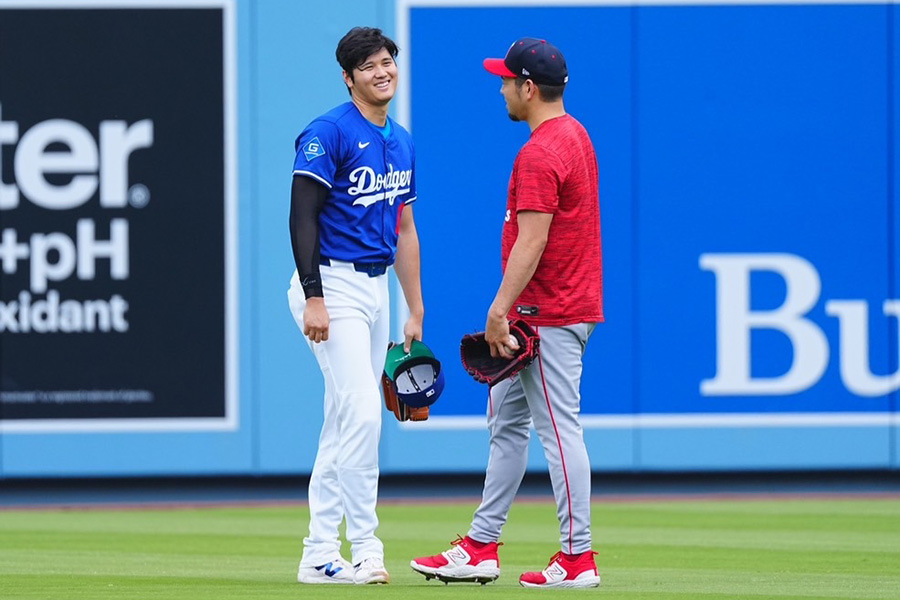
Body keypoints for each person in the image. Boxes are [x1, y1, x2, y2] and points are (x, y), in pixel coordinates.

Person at [410, 37, 603, 588]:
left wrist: (500, 310)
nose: (500, 89)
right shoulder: (574, 133)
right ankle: (481, 545)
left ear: (528, 87)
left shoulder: (540, 152)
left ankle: (578, 558)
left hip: (547, 314)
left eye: (506, 80)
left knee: (559, 431)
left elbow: (533, 239)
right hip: (546, 309)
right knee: (506, 426)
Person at [287, 26, 424, 585]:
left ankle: (319, 552)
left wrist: (415, 308)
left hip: (375, 288)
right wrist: (313, 296)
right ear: (348, 78)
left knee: (345, 419)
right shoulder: (329, 132)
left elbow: (405, 229)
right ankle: (366, 547)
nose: (381, 71)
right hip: (331, 285)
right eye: (368, 66)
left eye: (387, 60)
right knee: (364, 413)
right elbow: (301, 216)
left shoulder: (402, 139)